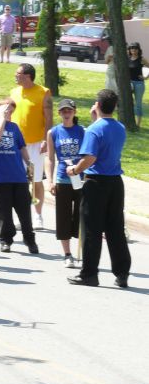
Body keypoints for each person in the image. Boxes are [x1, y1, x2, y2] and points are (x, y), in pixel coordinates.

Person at [67, 90, 131, 288]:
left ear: (97, 105)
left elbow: (90, 157)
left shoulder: (93, 130)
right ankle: (122, 273)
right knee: (115, 229)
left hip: (96, 182)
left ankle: (89, 274)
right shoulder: (120, 127)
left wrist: (75, 169)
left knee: (92, 230)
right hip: (115, 182)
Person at [0, 99, 38, 254]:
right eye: (7, 110)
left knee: (24, 209)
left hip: (18, 175)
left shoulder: (14, 127)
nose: (9, 113)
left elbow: (22, 147)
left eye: (11, 111)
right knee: (4, 211)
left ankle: (29, 238)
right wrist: (2, 119)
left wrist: (30, 164)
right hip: (0, 176)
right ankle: (6, 240)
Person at [10, 63, 53, 229]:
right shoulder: (14, 92)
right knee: (19, 182)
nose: (15, 75)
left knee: (35, 180)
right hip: (17, 144)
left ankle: (38, 215)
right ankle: (22, 216)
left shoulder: (43, 92)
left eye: (18, 73)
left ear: (27, 76)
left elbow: (48, 118)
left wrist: (45, 139)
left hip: (36, 143)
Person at [45, 98, 85, 269]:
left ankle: (82, 252)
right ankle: (67, 254)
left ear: (74, 112)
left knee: (82, 216)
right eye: (63, 111)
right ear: (59, 113)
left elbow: (88, 155)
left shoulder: (83, 131)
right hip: (63, 179)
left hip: (80, 179)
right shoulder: (53, 132)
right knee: (63, 218)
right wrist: (50, 180)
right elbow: (50, 158)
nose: (66, 113)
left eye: (69, 110)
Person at [127, 42, 149, 129]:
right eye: (131, 48)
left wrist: (145, 77)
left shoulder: (141, 59)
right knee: (128, 102)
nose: (133, 50)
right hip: (129, 83)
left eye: (135, 48)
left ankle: (138, 125)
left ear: (138, 50)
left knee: (138, 104)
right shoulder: (127, 58)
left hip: (139, 84)